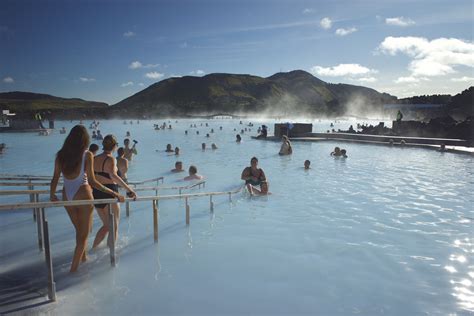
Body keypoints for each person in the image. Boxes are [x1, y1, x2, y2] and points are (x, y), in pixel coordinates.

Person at [50, 125, 125, 272]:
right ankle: (73, 271)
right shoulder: (87, 155)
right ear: (85, 139)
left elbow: (55, 178)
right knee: (84, 235)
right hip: (83, 193)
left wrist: (52, 194)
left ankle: (84, 259)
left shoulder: (60, 155)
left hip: (67, 196)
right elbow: (92, 181)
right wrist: (114, 193)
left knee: (80, 232)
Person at [92, 135, 137, 249]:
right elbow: (113, 176)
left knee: (107, 225)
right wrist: (129, 190)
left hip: (96, 192)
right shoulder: (111, 159)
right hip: (110, 192)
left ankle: (93, 249)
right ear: (114, 146)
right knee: (114, 226)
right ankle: (110, 257)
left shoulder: (95, 158)